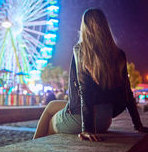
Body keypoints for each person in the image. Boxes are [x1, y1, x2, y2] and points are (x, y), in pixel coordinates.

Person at [33, 8, 148, 141]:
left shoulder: (81, 50)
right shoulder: (118, 54)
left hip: (86, 121)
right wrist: (137, 125)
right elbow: (127, 92)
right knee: (51, 105)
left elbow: (84, 90)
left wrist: (86, 129)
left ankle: (32, 150)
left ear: (84, 27)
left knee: (51, 121)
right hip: (105, 120)